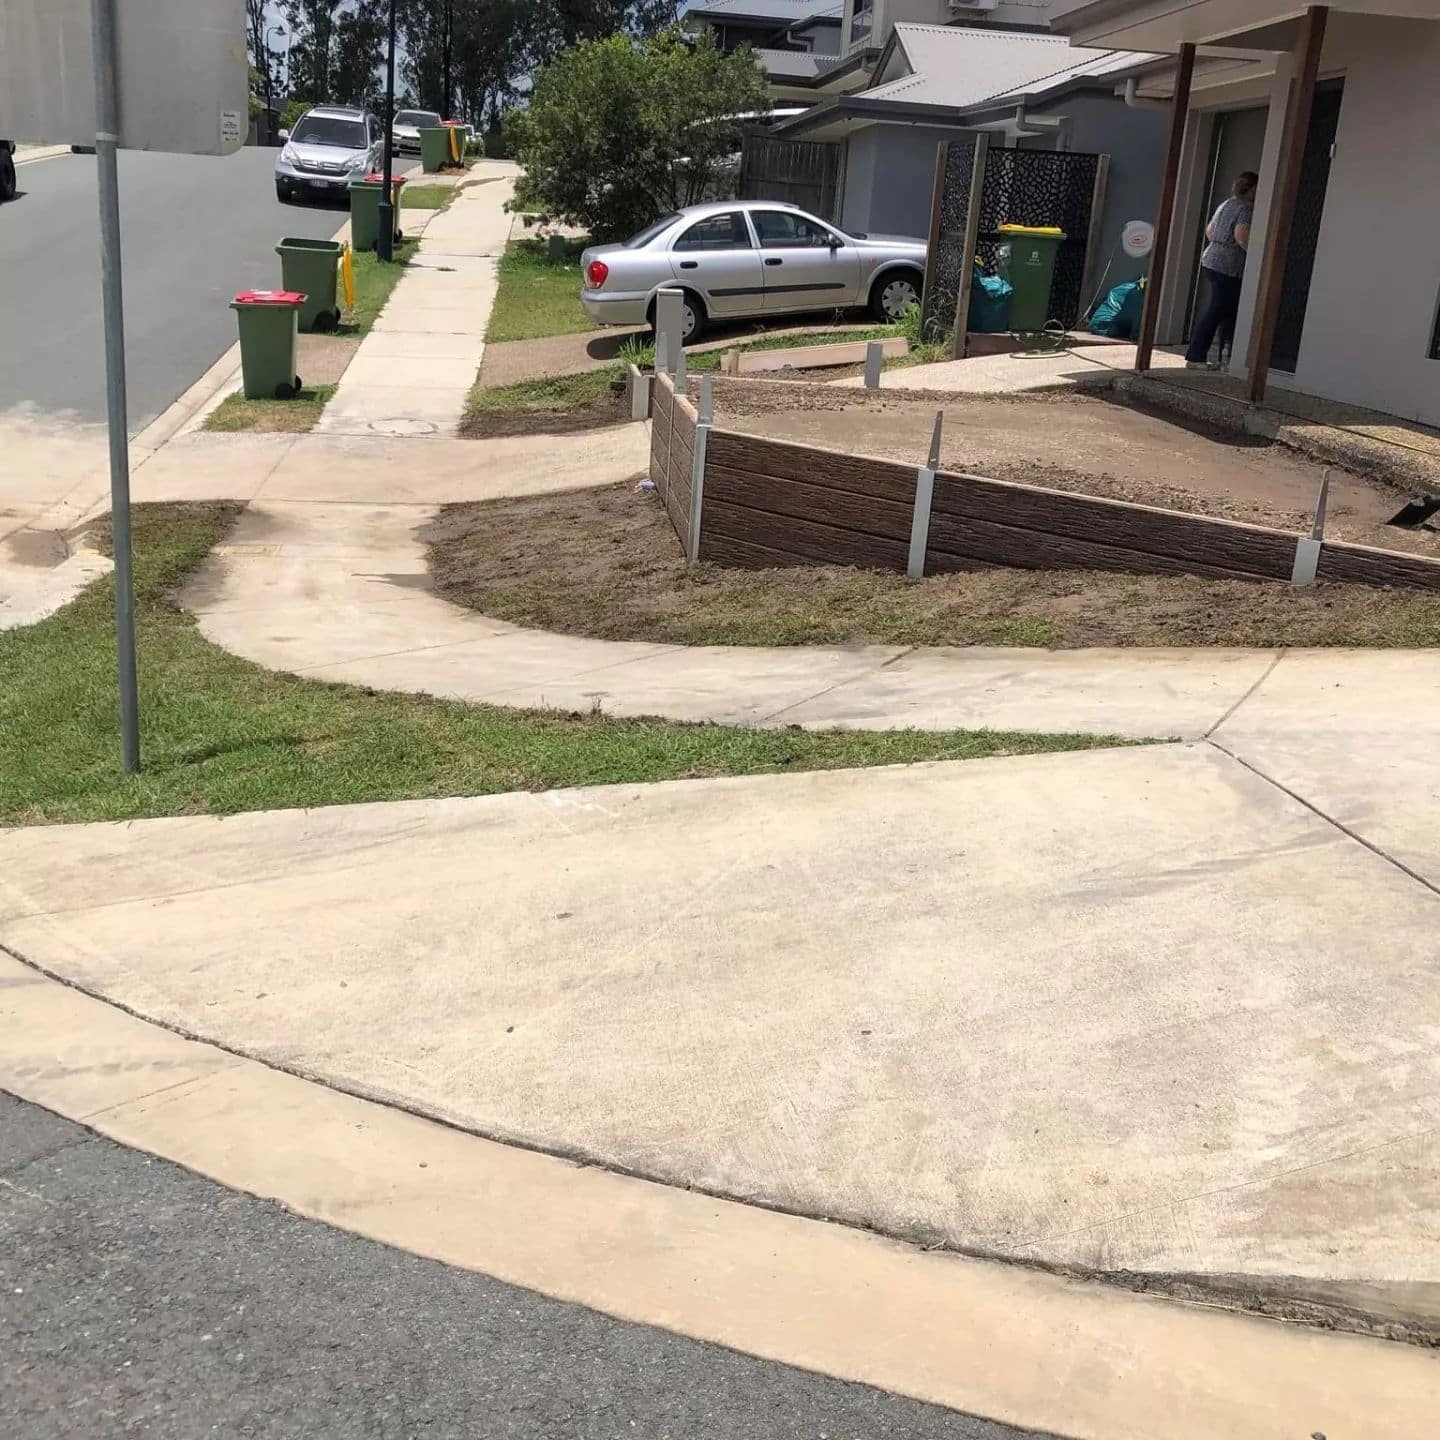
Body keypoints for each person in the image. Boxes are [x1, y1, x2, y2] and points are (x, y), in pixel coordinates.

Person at [1186, 170, 1257, 369]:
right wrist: (1256, 254)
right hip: (1229, 266)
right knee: (1218, 310)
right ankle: (1196, 356)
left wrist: (1220, 243)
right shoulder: (1246, 209)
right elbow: (1241, 235)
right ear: (1252, 189)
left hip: (1212, 259)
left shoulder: (1226, 204)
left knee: (1228, 309)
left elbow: (1210, 230)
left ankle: (1225, 356)